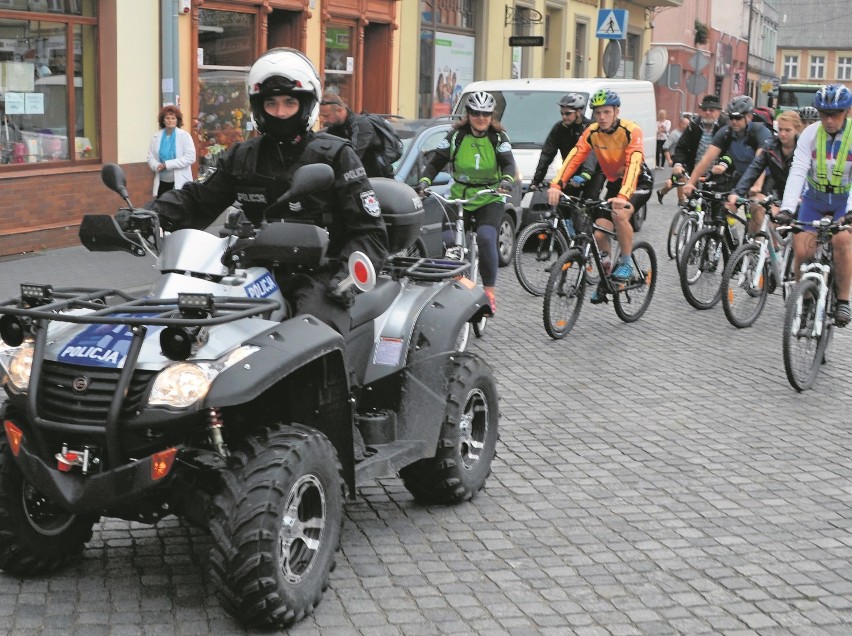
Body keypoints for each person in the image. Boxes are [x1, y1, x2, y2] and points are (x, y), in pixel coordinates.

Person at [149, 48, 388, 338]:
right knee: (190, 327)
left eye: (290, 102)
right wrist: (151, 214)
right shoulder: (242, 155)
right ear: (258, 107)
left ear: (307, 104)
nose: (280, 112)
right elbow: (198, 200)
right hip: (255, 270)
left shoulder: (335, 155)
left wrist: (344, 278)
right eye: (271, 103)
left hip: (321, 275)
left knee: (310, 340)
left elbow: (370, 231)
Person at [416, 90, 517, 313]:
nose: (481, 118)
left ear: (492, 117)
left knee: (486, 237)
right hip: (460, 194)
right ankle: (460, 282)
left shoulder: (498, 138)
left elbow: (508, 164)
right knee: (450, 240)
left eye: (486, 114)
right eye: (476, 113)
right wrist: (424, 182)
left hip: (489, 195)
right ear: (468, 114)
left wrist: (507, 181)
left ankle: (489, 291)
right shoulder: (455, 137)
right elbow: (435, 163)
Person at [547, 88, 653, 299]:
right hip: (615, 185)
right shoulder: (592, 132)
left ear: (616, 111)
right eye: (598, 113)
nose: (602, 117)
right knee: (599, 233)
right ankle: (607, 275)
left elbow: (633, 164)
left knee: (619, 214)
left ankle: (626, 263)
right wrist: (557, 184)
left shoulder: (631, 130)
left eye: (606, 112)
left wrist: (623, 197)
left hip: (639, 182)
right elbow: (575, 157)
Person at [778, 83, 852, 327]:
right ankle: (806, 297)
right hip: (814, 200)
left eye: (835, 114)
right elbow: (798, 170)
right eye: (824, 114)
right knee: (802, 249)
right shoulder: (810, 134)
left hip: (843, 201)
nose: (829, 120)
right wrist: (788, 208)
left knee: (842, 241)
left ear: (847, 112)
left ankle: (842, 300)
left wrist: (851, 211)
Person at [725, 110, 803, 234]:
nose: (782, 134)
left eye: (787, 130)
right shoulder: (770, 147)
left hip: (802, 198)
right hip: (778, 194)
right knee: (757, 206)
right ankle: (755, 248)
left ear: (797, 129)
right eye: (780, 129)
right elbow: (754, 168)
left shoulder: (805, 149)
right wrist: (737, 192)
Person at [682, 95, 773, 199]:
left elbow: (760, 162)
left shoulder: (760, 132)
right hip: (742, 175)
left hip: (765, 177)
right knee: (727, 205)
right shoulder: (725, 133)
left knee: (756, 206)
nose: (734, 121)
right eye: (731, 117)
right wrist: (691, 183)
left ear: (749, 117)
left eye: (738, 118)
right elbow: (706, 160)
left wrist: (757, 186)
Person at [530, 93, 600, 198]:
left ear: (579, 112)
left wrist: (585, 174)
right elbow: (547, 155)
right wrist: (536, 181)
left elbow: (591, 154)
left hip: (592, 173)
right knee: (564, 206)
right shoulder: (559, 128)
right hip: (570, 171)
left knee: (589, 203)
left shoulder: (591, 127)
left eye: (568, 114)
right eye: (562, 113)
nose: (564, 117)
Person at [319, 92, 386, 178]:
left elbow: (354, 156)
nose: (322, 120)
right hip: (356, 178)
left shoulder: (361, 124)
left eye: (326, 116)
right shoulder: (333, 127)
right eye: (321, 116)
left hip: (378, 179)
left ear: (340, 110)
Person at [147, 105, 196, 197]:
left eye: (173, 118)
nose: (170, 120)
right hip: (161, 182)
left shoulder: (184, 136)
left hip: (179, 181)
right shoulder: (156, 136)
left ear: (177, 120)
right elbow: (150, 157)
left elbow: (190, 157)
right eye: (167, 118)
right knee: (161, 207)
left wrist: (167, 164)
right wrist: (157, 166)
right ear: (163, 120)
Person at [657, 114, 691, 204]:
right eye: (686, 124)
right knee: (681, 178)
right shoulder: (674, 134)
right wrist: (669, 159)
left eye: (689, 125)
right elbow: (665, 146)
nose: (688, 126)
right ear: (681, 124)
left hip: (684, 159)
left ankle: (661, 192)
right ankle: (681, 200)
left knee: (674, 180)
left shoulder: (687, 134)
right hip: (675, 158)